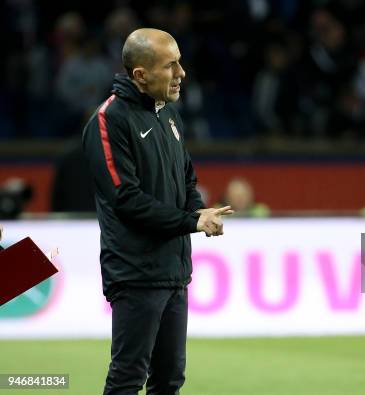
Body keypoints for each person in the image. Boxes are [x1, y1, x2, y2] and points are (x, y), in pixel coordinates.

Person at [82, 28, 234, 394]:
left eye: (180, 62)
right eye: (171, 66)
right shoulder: (108, 121)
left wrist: (200, 212)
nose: (181, 73)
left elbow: (187, 181)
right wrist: (191, 221)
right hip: (135, 275)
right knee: (127, 379)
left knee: (169, 380)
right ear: (140, 74)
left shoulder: (169, 116)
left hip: (173, 272)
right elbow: (126, 200)